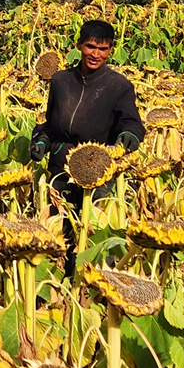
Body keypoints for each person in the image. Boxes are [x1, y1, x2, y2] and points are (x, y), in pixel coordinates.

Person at [28, 19, 143, 274]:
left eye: (103, 49)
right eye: (91, 46)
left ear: (111, 49)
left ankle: (92, 295)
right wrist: (42, 141)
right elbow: (50, 123)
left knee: (95, 239)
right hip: (61, 168)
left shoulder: (118, 86)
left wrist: (129, 135)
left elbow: (131, 122)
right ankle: (58, 289)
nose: (95, 54)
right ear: (79, 45)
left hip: (98, 170)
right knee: (58, 235)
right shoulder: (60, 81)